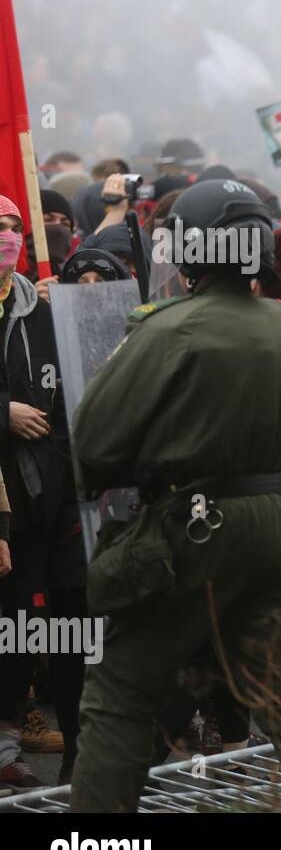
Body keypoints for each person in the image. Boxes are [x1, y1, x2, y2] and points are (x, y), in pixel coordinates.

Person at [69, 179, 281, 810]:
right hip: (278, 525)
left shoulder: (167, 331)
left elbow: (94, 440)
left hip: (190, 526)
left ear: (190, 250)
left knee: (121, 697)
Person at [0, 195, 86, 789]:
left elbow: (66, 403)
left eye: (12, 226)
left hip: (38, 504)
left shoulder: (41, 312)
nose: (5, 235)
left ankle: (6, 746)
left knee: (18, 631)